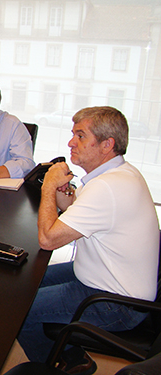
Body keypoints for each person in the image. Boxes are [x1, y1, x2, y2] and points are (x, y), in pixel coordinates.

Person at [18, 107, 159, 373]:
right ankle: (76, 358)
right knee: (26, 285)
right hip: (99, 276)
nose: (71, 142)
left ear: (107, 145)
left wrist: (48, 186)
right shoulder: (116, 174)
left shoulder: (108, 187)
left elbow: (48, 239)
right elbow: (75, 211)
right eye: (73, 134)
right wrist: (61, 193)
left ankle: (58, 366)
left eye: (81, 136)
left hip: (116, 301)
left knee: (17, 312)